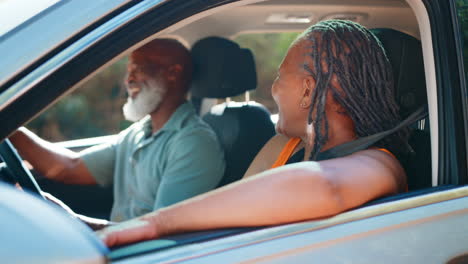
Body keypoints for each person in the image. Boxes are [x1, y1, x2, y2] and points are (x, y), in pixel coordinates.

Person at [95, 19, 410, 246]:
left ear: (307, 90)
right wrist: (109, 228)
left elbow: (322, 185)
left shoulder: (381, 164)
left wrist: (154, 223)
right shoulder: (281, 146)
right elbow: (232, 220)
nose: (272, 89)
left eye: (279, 76)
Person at [10, 38, 226, 228]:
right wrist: (12, 128)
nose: (128, 80)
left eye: (138, 68)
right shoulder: (137, 133)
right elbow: (67, 168)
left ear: (172, 73)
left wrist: (72, 221)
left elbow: (161, 231)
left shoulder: (193, 143)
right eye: (128, 71)